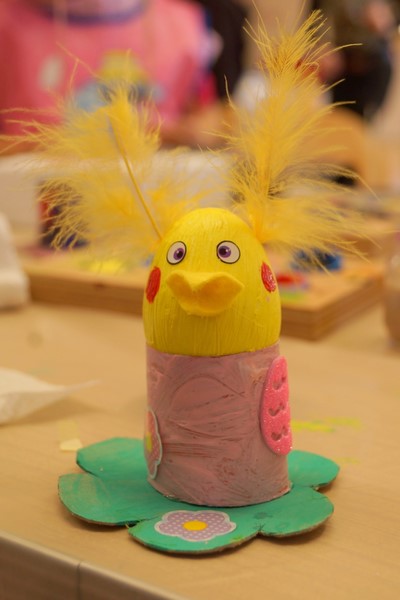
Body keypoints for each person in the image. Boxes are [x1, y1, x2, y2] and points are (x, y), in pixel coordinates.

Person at [0, 0, 240, 150]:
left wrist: (209, 128)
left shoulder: (185, 28)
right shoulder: (8, 24)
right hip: (29, 205)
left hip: (157, 199)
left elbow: (211, 115)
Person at [310, 0, 398, 120]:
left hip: (371, 56)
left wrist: (386, 18)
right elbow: (319, 15)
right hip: (338, 52)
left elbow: (389, 21)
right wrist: (323, 44)